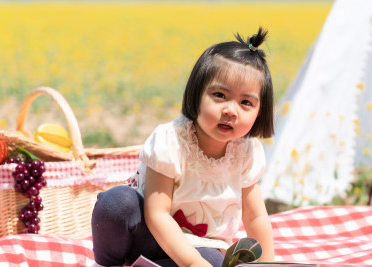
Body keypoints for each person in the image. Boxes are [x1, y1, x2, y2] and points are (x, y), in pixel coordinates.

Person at [91, 27, 275, 267]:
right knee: (117, 204)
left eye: (246, 102)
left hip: (202, 245)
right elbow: (156, 213)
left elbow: (255, 216)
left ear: (260, 111)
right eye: (220, 95)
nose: (231, 110)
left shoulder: (246, 154)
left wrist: (269, 263)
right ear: (197, 94)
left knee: (211, 260)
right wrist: (190, 263)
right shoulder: (172, 141)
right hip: (147, 233)